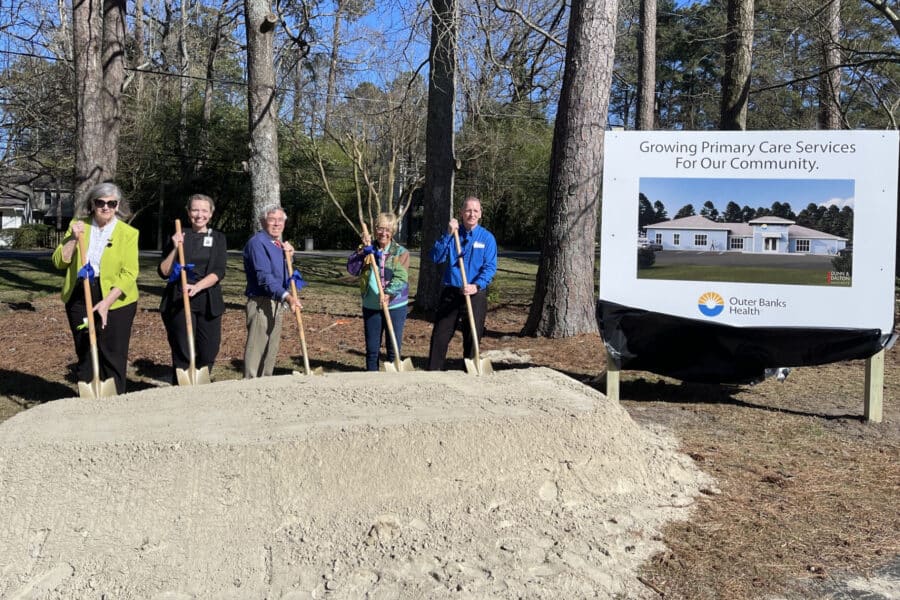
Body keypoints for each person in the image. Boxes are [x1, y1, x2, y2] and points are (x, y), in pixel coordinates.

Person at [52, 182, 139, 394]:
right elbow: (59, 262)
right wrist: (73, 238)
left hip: (116, 298)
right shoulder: (79, 225)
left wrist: (106, 303)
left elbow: (130, 273)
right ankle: (88, 396)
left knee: (112, 350)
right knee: (86, 346)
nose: (106, 207)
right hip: (81, 295)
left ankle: (115, 395)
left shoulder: (128, 233)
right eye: (101, 202)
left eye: (111, 203)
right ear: (92, 203)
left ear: (117, 205)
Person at [157, 194, 227, 383]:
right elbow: (163, 272)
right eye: (195, 210)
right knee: (183, 349)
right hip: (179, 299)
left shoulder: (218, 238)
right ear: (188, 212)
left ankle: (201, 383)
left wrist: (197, 287)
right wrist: (174, 247)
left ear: (211, 214)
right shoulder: (179, 235)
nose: (199, 214)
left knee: (209, 349)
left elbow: (219, 271)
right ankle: (181, 385)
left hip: (208, 299)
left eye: (204, 210)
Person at [426, 197, 498, 371]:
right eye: (468, 210)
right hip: (451, 292)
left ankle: (470, 371)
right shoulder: (452, 235)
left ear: (480, 214)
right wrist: (449, 234)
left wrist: (477, 285)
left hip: (475, 294)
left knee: (472, 336)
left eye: (475, 211)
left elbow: (490, 267)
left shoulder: (487, 238)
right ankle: (433, 372)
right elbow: (436, 257)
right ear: (461, 213)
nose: (471, 214)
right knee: (440, 335)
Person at [242, 204, 302, 378]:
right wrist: (287, 297)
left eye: (280, 220)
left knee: (270, 351)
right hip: (262, 301)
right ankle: (251, 386)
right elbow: (264, 277)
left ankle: (266, 388)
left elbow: (283, 274)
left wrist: (289, 258)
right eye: (272, 220)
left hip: (277, 301)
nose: (277, 224)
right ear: (262, 222)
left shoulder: (277, 244)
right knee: (257, 350)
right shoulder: (257, 243)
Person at [346, 213, 411, 371]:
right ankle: (371, 380)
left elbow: (401, 277)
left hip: (395, 306)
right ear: (375, 230)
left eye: (387, 229)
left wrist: (389, 293)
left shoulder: (400, 252)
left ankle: (394, 381)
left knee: (392, 349)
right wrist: (362, 252)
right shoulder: (367, 249)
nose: (383, 233)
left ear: (392, 231)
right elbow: (352, 269)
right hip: (371, 305)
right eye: (380, 228)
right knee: (372, 350)